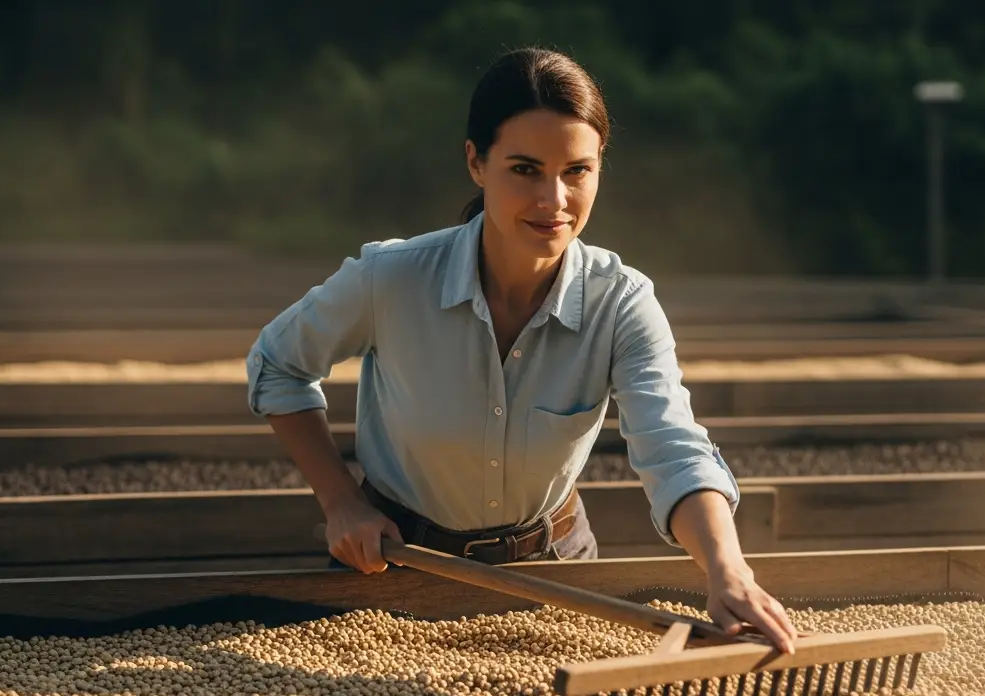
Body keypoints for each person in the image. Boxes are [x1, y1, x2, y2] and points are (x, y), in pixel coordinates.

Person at [246, 47, 797, 653]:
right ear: (476, 163)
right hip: (394, 566)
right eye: (526, 170)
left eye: (577, 171)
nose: (554, 200)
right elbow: (279, 364)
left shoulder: (621, 302)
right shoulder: (392, 278)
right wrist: (341, 503)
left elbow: (672, 448)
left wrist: (728, 571)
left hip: (556, 570)